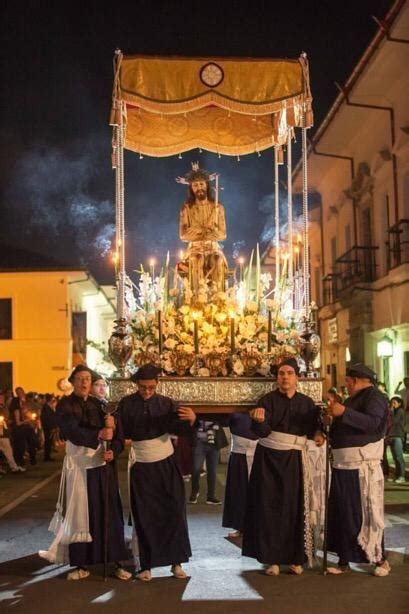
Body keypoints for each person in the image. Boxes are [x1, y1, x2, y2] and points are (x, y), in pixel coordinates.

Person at [39, 364, 131, 581]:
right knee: (81, 516)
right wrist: (99, 432)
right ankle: (82, 564)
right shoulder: (65, 405)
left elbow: (116, 438)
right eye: (80, 378)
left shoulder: (101, 406)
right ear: (72, 382)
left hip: (102, 467)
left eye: (87, 379)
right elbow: (71, 431)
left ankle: (116, 562)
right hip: (79, 468)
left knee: (110, 514)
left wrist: (114, 449)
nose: (84, 382)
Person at [242, 358, 323, 576]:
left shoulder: (307, 403)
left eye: (288, 373)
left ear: (297, 377)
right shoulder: (266, 401)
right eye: (280, 373)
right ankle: (272, 559)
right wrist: (259, 421)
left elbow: (315, 428)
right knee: (269, 506)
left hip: (294, 459)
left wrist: (318, 435)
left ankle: (296, 558)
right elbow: (261, 432)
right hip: (268, 460)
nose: (284, 377)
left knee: (294, 506)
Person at [118, 363, 197, 582]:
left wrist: (191, 419)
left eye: (151, 387)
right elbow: (119, 433)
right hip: (141, 465)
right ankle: (147, 565)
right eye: (143, 387)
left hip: (166, 464)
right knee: (145, 514)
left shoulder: (167, 404)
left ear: (157, 384)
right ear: (136, 385)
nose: (147, 391)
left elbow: (182, 430)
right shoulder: (126, 405)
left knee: (174, 510)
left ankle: (177, 563)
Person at [326, 363, 390, 576]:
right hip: (343, 465)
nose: (346, 385)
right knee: (344, 513)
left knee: (365, 514)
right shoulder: (353, 399)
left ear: (354, 381)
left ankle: (380, 560)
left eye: (347, 381)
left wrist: (343, 411)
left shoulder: (374, 397)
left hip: (362, 466)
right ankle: (344, 560)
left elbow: (372, 423)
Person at [179, 163, 227, 294]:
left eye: (201, 184)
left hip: (213, 248)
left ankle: (219, 300)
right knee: (197, 259)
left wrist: (197, 231)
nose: (199, 188)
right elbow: (183, 235)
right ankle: (196, 300)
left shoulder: (218, 207)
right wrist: (206, 233)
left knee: (218, 260)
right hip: (195, 249)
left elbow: (223, 235)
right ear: (191, 188)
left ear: (207, 185)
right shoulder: (187, 208)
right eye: (195, 185)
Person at [222, 412, 258, 538]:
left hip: (259, 452)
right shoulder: (235, 411)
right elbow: (222, 420)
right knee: (239, 492)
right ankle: (240, 526)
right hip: (239, 454)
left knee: (260, 492)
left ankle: (258, 526)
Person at [189, 418, 228, 506]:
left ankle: (211, 496)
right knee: (196, 468)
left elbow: (225, 421)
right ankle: (194, 492)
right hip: (199, 441)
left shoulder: (216, 410)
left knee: (212, 471)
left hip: (214, 441)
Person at [9, 387, 37, 466]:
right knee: (20, 445)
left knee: (32, 442)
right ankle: (20, 462)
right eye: (18, 392)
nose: (20, 393)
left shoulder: (28, 400)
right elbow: (14, 412)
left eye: (21, 391)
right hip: (20, 426)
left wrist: (33, 418)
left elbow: (34, 409)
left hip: (28, 425)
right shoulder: (15, 402)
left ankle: (32, 457)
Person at [384, 396, 406, 483]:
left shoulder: (400, 411)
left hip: (397, 436)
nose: (392, 404)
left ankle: (402, 476)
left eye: (394, 403)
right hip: (391, 436)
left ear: (399, 403)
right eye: (391, 403)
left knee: (399, 457)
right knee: (395, 457)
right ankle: (397, 476)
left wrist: (391, 411)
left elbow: (394, 421)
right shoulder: (393, 412)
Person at [40, 394, 58, 462]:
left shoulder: (49, 407)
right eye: (52, 399)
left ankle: (48, 456)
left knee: (49, 442)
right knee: (48, 441)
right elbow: (47, 419)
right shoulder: (46, 407)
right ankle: (46, 457)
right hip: (48, 428)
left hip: (50, 427)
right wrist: (51, 427)